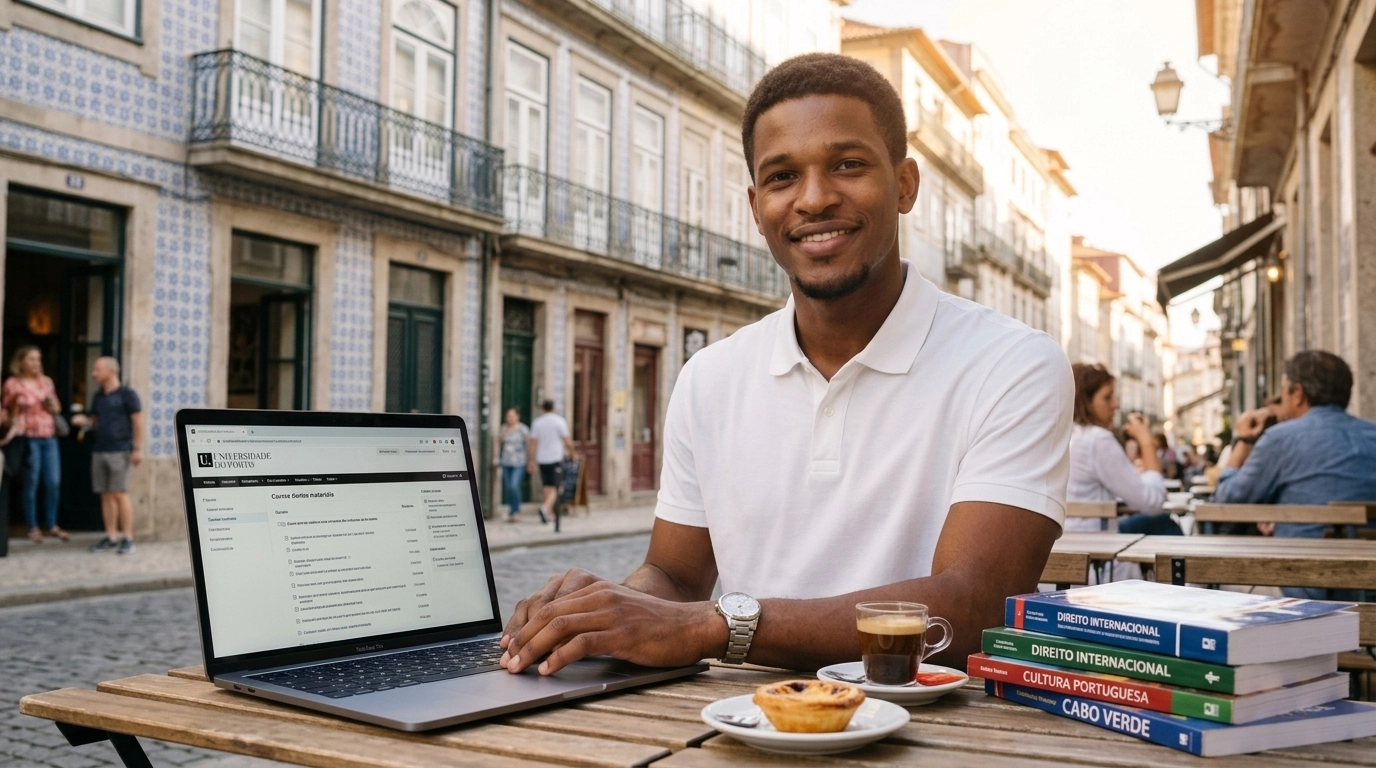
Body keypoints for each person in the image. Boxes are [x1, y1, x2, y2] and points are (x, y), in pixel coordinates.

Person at [497, 53, 1071, 677]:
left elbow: (974, 604)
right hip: (737, 719)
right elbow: (676, 576)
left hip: (935, 722)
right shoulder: (709, 378)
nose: (814, 199)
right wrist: (604, 614)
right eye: (782, 177)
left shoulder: (1012, 364)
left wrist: (714, 627)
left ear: (905, 184)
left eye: (847, 165)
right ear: (756, 206)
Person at [1214, 351, 1376, 598]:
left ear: (1298, 393)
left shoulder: (1280, 439)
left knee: (1211, 584)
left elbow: (1226, 501)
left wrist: (1243, 439)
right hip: (1369, 591)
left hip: (1302, 590)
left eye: (1284, 391)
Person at [1066, 363, 1178, 536]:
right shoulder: (1097, 440)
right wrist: (1146, 440)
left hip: (1067, 535)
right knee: (1163, 521)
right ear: (1085, 402)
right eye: (1107, 397)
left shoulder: (1065, 436)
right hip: (1093, 542)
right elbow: (1153, 501)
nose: (1116, 404)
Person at [70, 357, 143, 554]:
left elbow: (138, 421)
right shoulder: (98, 396)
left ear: (111, 371)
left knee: (119, 493)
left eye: (97, 369)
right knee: (105, 495)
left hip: (120, 450)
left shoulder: (127, 394)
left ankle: (128, 537)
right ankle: (111, 536)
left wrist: (136, 448)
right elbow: (95, 421)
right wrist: (84, 421)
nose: (93, 373)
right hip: (100, 449)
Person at [3, 346, 66, 543]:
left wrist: (51, 404)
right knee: (32, 481)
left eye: (38, 359)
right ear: (20, 362)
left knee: (53, 481)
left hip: (49, 436)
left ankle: (52, 524)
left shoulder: (46, 382)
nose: (36, 363)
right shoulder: (13, 384)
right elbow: (6, 410)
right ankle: (32, 526)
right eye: (31, 359)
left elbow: (57, 407)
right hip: (28, 437)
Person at [528, 400, 573, 525]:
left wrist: (531, 459)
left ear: (543, 408)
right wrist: (573, 453)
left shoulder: (537, 422)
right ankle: (545, 508)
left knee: (547, 486)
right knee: (557, 487)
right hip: (555, 458)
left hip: (542, 459)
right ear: (554, 408)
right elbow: (567, 440)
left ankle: (549, 513)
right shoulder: (559, 421)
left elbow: (533, 442)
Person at [498, 408, 531, 522]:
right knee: (508, 487)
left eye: (512, 416)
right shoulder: (504, 428)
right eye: (508, 416)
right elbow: (498, 443)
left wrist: (530, 461)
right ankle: (511, 511)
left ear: (518, 416)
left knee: (514, 485)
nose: (510, 418)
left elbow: (528, 445)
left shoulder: (523, 429)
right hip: (506, 462)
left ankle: (516, 511)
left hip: (519, 462)